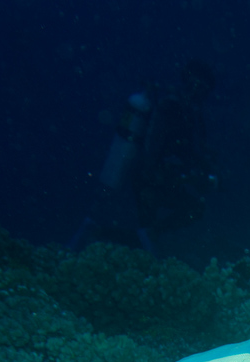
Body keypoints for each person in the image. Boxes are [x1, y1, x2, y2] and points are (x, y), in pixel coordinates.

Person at [70, 61, 217, 253]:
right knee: (152, 233)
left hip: (155, 179)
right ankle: (97, 235)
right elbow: (154, 146)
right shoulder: (171, 106)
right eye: (202, 86)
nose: (201, 93)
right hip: (150, 180)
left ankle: (97, 235)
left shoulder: (187, 111)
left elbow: (188, 152)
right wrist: (162, 175)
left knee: (149, 234)